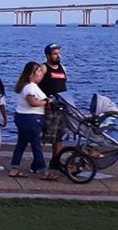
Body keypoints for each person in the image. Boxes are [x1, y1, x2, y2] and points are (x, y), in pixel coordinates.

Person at [7, 62, 60, 180]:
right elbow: (33, 102)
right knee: (36, 145)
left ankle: (14, 168)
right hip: (32, 118)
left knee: (21, 144)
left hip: (21, 117)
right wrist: (47, 102)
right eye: (39, 71)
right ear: (32, 74)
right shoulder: (30, 87)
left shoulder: (24, 86)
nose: (42, 74)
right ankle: (44, 171)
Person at [40, 43, 69, 173]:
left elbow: (64, 85)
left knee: (59, 136)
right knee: (47, 135)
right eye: (55, 53)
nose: (58, 56)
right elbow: (34, 85)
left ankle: (55, 161)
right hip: (49, 107)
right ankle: (38, 162)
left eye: (58, 53)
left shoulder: (62, 68)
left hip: (62, 106)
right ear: (48, 56)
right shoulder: (44, 68)